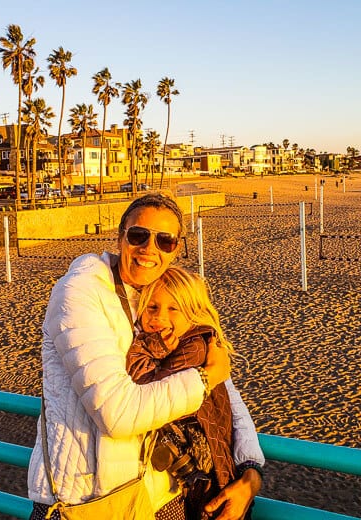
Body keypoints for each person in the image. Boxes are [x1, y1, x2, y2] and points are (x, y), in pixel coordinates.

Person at [27, 193, 264, 520]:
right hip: (86, 502)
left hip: (159, 495)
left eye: (164, 240)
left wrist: (251, 470)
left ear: (177, 248)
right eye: (139, 235)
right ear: (120, 236)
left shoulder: (160, 297)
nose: (149, 248)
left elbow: (224, 395)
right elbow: (117, 413)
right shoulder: (80, 293)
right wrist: (204, 379)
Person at [126, 266, 244, 519]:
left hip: (204, 462)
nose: (159, 317)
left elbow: (146, 386)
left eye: (173, 309)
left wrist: (149, 347)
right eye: (152, 307)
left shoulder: (195, 350)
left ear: (192, 315)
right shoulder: (187, 343)